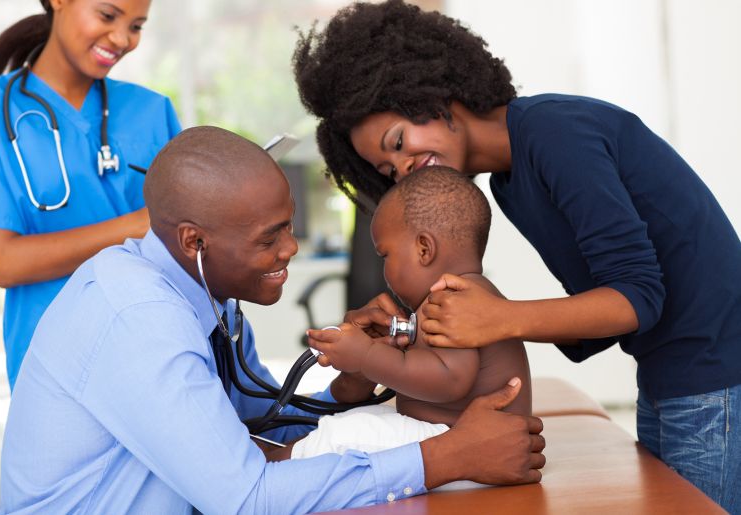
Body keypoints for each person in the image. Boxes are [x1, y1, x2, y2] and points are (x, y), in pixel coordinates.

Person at [291, 0, 741, 511]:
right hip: (673, 369)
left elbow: (637, 299)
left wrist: (499, 320)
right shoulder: (509, 180)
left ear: (430, 98)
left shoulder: (555, 134)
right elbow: (610, 316)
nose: (404, 165)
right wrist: (419, 333)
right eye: (389, 169)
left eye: (398, 140)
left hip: (715, 368)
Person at [0, 126, 545, 514]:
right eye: (269, 238)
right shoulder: (138, 321)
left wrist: (350, 387)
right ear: (196, 242)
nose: (291, 248)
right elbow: (246, 497)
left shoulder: (208, 292)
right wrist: (447, 457)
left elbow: (253, 425)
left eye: (288, 226)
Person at [0, 0, 180, 389]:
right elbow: (6, 263)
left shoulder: (151, 111)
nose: (121, 38)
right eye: (107, 15)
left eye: (136, 26)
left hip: (155, 346)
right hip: (52, 362)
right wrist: (136, 226)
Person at [298, 166, 530, 461]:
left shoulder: (452, 300)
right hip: (456, 436)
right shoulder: (461, 294)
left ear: (423, 249)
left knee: (340, 435)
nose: (384, 269)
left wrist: (367, 356)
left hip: (468, 442)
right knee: (359, 419)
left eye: (386, 255)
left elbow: (449, 379)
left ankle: (267, 467)